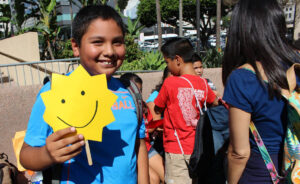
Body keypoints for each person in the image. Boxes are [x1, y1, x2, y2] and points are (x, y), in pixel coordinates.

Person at [19, 5, 149, 184]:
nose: (110, 51)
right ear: (76, 46)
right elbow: (25, 156)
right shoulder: (54, 91)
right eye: (98, 42)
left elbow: (139, 147)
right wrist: (47, 154)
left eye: (117, 42)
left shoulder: (130, 92)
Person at [222, 0, 300, 183]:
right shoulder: (296, 66)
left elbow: (239, 153)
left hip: (261, 173)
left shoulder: (243, 78)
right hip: (295, 170)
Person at [154, 37, 218, 184]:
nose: (168, 66)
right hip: (198, 149)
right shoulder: (203, 83)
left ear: (177, 60)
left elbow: (158, 107)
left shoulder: (170, 82)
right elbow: (214, 102)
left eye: (167, 62)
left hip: (176, 148)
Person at [120, 72, 165, 184]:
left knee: (166, 174)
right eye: (134, 91)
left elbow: (147, 125)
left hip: (146, 146)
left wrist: (153, 129)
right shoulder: (121, 108)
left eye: (140, 90)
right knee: (153, 179)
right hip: (131, 151)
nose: (137, 94)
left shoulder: (143, 107)